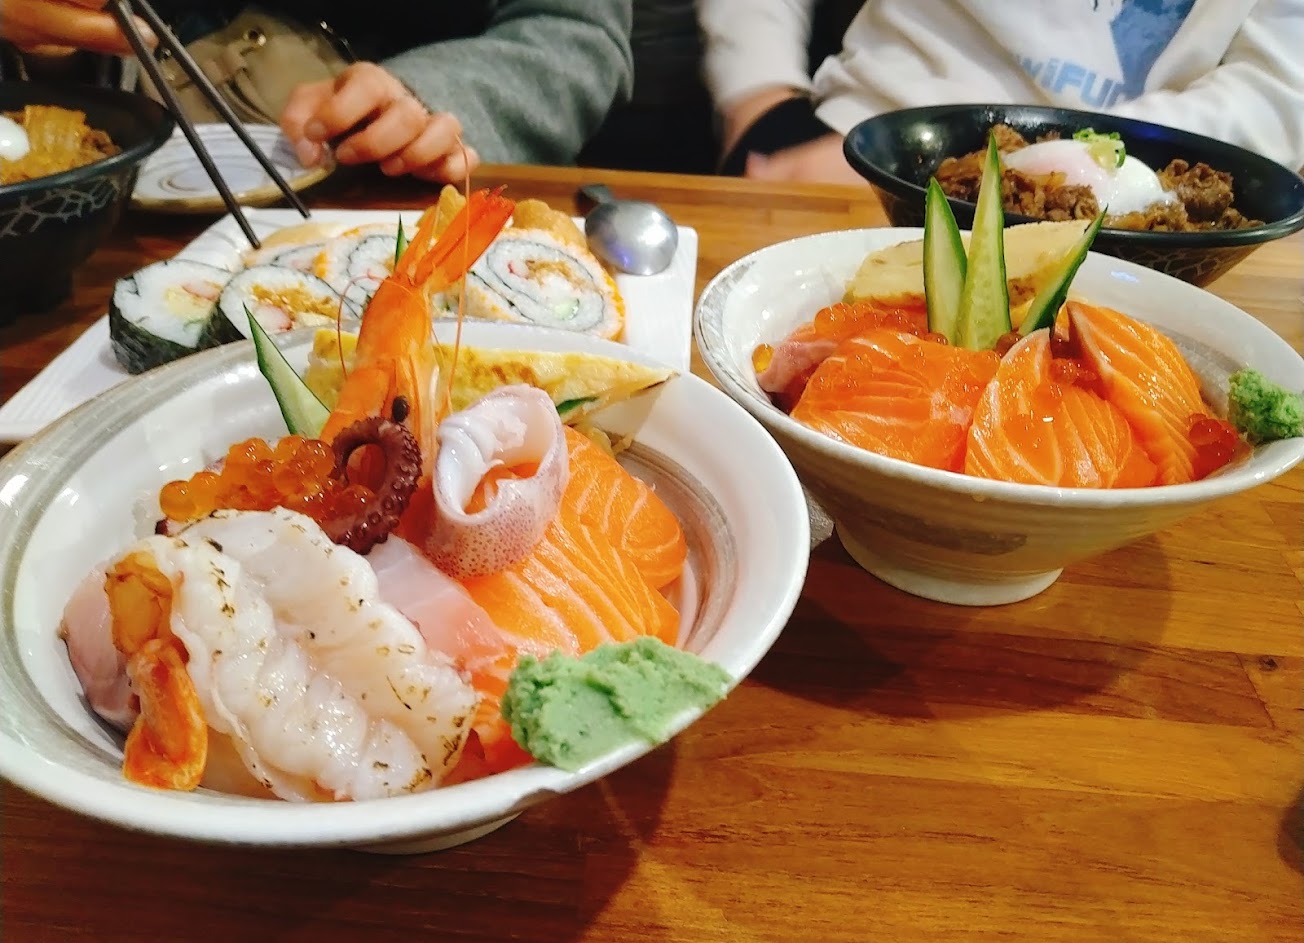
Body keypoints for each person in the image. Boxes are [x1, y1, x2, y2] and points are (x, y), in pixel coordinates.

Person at [0, 0, 634, 183]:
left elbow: (573, 31)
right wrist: (45, 45)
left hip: (384, 196)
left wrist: (424, 96)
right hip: (104, 202)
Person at [698, 0, 1304, 184]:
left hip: (1146, 192)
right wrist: (758, 98)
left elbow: (1276, 91)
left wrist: (1040, 167)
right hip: (865, 146)